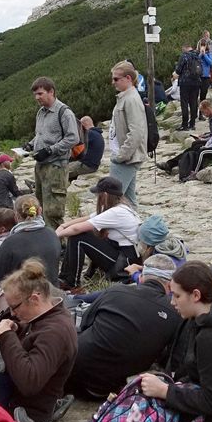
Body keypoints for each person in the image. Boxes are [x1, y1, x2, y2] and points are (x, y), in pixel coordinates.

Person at [36, 261, 212, 422]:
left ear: (196, 295)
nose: (172, 302)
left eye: (177, 296)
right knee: (137, 398)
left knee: (138, 420)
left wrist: (165, 391)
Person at [67, 254, 181, 399]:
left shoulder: (116, 291)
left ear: (141, 277)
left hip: (73, 376)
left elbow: (84, 324)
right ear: (170, 285)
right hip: (113, 389)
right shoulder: (175, 312)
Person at [0, 259, 78, 422]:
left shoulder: (55, 333)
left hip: (25, 414)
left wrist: (7, 336)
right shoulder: (49, 316)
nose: (12, 313)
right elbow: (34, 336)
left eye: (14, 307)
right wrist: (18, 329)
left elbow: (29, 381)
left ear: (34, 299)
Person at [56, 177, 141, 290]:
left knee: (79, 237)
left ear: (105, 195)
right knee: (84, 233)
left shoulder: (116, 212)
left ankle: (71, 283)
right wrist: (63, 226)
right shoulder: (121, 207)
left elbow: (77, 229)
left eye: (98, 194)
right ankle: (67, 277)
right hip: (123, 256)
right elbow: (87, 218)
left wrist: (54, 236)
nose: (96, 197)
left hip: (122, 264)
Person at [25, 77, 80, 228]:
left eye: (40, 94)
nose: (37, 97)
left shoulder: (64, 112)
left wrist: (50, 150)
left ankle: (60, 245)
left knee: (53, 210)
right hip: (40, 165)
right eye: (35, 94)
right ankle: (45, 240)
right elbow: (41, 134)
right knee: (39, 206)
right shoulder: (41, 112)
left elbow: (73, 138)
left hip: (56, 166)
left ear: (51, 92)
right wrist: (30, 144)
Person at [0, 196, 60, 294]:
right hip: (52, 293)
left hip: (25, 299)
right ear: (40, 211)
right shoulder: (52, 234)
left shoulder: (11, 242)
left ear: (16, 216)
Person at [108, 61, 149, 206]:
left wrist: (122, 155)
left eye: (116, 79)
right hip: (125, 157)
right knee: (128, 201)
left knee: (111, 200)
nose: (113, 82)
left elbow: (137, 131)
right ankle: (134, 227)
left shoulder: (131, 99)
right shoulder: (125, 97)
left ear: (128, 78)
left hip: (127, 159)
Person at [175, 43, 205, 131]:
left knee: (184, 103)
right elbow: (201, 71)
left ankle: (184, 124)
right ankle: (192, 123)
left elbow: (178, 70)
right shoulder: (197, 56)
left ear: (185, 48)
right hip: (196, 82)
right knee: (194, 102)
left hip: (185, 82)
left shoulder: (184, 56)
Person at [68, 116, 104, 181]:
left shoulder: (89, 133)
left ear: (83, 125)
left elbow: (73, 144)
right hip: (93, 165)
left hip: (86, 166)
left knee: (61, 171)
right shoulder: (97, 134)